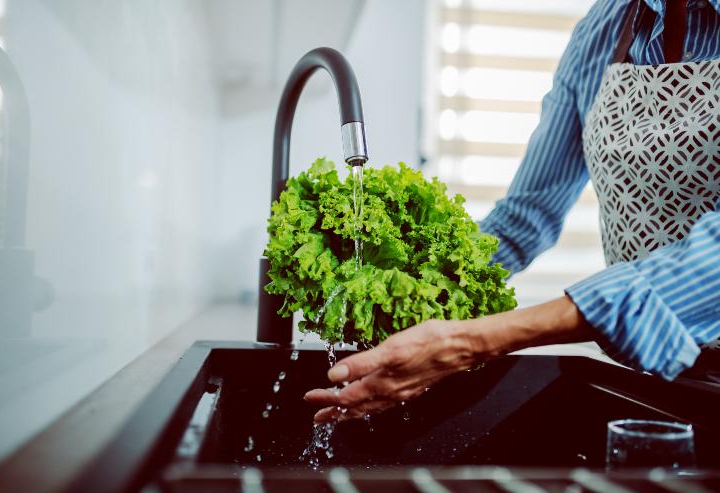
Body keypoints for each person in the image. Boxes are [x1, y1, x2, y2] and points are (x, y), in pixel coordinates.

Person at [305, 0, 719, 423]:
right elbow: (526, 216)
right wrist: (400, 287)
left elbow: (711, 264)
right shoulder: (604, 27)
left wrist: (471, 340)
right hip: (645, 376)